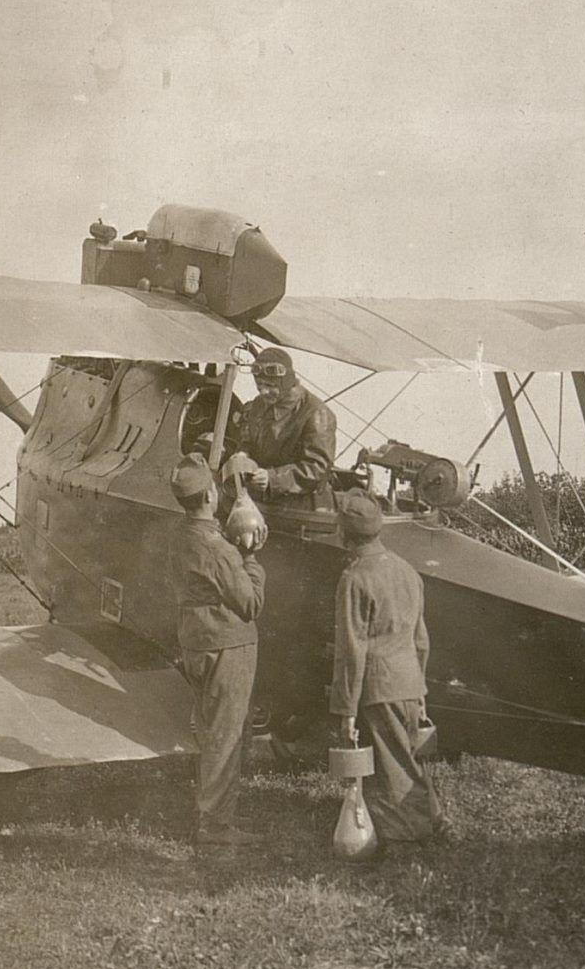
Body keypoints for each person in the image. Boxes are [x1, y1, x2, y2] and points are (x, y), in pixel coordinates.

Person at [329, 490, 444, 845]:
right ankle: (430, 820)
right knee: (407, 757)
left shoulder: (354, 578)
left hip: (379, 687)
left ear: (345, 534)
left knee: (394, 767)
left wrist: (346, 710)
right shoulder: (407, 570)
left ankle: (409, 836)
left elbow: (351, 650)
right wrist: (419, 688)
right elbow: (421, 639)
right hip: (408, 680)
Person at [169, 453, 267, 848]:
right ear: (210, 495)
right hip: (227, 647)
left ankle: (210, 809)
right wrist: (251, 558)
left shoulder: (180, 536)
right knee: (226, 736)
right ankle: (216, 827)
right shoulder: (219, 550)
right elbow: (250, 604)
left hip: (195, 641)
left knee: (211, 730)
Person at [227, 346, 337, 511]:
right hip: (260, 498)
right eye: (259, 386)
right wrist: (243, 454)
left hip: (300, 505)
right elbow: (248, 438)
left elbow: (317, 468)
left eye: (270, 386)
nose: (264, 392)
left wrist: (273, 479)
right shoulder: (259, 404)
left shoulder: (317, 413)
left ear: (286, 382)